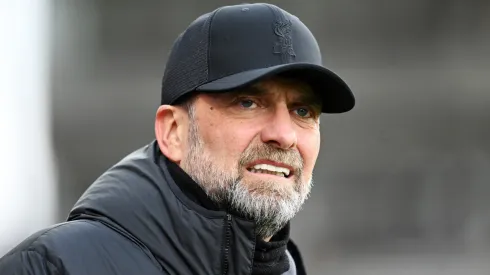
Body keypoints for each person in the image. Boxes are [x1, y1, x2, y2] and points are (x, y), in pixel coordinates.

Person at [0, 3, 355, 275]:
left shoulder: (289, 267)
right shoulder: (57, 266)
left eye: (303, 112)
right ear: (173, 132)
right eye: (247, 102)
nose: (283, 135)